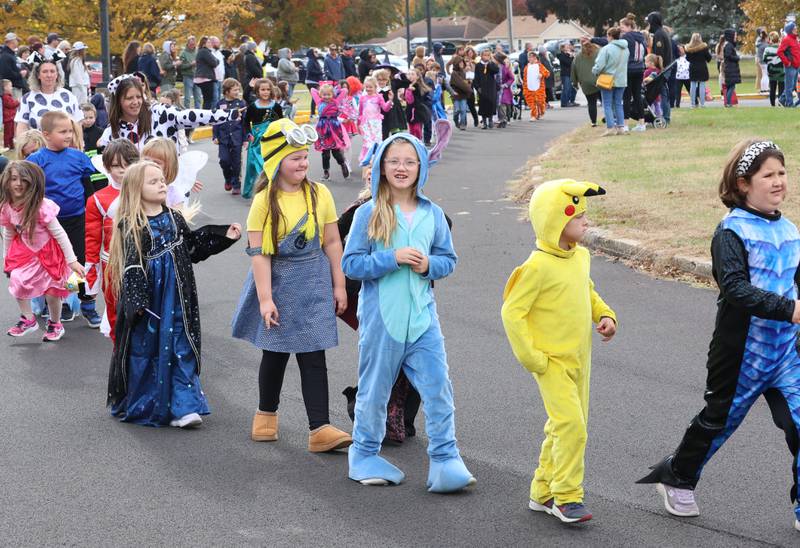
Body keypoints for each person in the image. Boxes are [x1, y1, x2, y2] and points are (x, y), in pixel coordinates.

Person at [636, 140, 800, 533]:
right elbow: (735, 289)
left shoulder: (791, 229)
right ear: (743, 183)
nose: (778, 182)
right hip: (741, 354)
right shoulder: (731, 231)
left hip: (787, 355)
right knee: (717, 422)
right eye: (768, 175)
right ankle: (676, 475)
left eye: (782, 173)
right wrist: (789, 309)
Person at [342, 133, 475, 492]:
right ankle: (364, 453)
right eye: (394, 161)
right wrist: (392, 258)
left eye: (409, 161)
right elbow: (351, 264)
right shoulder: (368, 212)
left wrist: (429, 264)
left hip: (423, 321)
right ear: (382, 167)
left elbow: (449, 260)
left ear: (421, 167)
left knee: (438, 389)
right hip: (382, 323)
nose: (401, 168)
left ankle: (446, 460)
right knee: (374, 391)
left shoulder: (432, 213)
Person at [231, 117, 352, 452]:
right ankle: (265, 415)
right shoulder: (263, 202)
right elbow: (259, 254)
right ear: (275, 162)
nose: (303, 162)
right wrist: (266, 299)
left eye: (305, 156)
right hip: (279, 282)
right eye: (294, 157)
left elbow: (331, 242)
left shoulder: (320, 192)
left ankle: (320, 428)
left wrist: (338, 285)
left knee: (314, 355)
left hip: (313, 282)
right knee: (275, 354)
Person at [501, 179, 616, 524]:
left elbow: (587, 291)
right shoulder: (536, 267)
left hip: (580, 359)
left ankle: (542, 491)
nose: (586, 221)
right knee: (573, 426)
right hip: (550, 362)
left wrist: (605, 313)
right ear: (554, 220)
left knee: (562, 426)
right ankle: (567, 496)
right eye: (577, 215)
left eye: (585, 215)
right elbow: (511, 312)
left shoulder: (580, 256)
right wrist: (532, 358)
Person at [106, 160, 241, 427]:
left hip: (180, 298)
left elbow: (192, 248)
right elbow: (132, 266)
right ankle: (152, 403)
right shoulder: (132, 224)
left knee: (181, 345)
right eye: (153, 181)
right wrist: (137, 302)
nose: (162, 185)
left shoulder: (174, 217)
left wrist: (223, 236)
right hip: (152, 302)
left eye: (162, 180)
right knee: (151, 350)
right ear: (136, 188)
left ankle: (184, 407)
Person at [26, 110, 100, 324]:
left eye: (70, 131)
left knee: (79, 262)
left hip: (77, 219)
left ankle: (87, 304)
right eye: (63, 132)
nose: (68, 135)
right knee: (53, 264)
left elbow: (92, 185)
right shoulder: (36, 160)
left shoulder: (79, 157)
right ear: (46, 134)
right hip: (49, 223)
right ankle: (62, 302)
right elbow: (28, 191)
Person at [1, 160, 85, 341]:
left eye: (23, 179)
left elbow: (60, 234)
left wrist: (72, 260)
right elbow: (9, 231)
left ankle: (56, 323)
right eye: (13, 179)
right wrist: (6, 258)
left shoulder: (41, 206)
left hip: (49, 254)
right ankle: (28, 318)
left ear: (32, 182)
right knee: (17, 280)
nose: (18, 184)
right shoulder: (7, 207)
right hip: (26, 253)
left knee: (52, 292)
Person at [84, 138, 139, 340]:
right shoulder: (97, 199)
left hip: (145, 262)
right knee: (116, 313)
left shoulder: (146, 191)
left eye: (129, 164)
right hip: (112, 265)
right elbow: (92, 239)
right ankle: (121, 357)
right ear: (107, 167)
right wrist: (91, 278)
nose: (123, 170)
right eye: (116, 165)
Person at [97, 74, 233, 154]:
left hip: (167, 189)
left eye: (138, 97)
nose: (135, 102)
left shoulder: (159, 112)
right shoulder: (113, 131)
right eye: (129, 98)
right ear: (118, 101)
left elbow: (190, 115)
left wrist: (228, 114)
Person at [14, 60, 83, 136]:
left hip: (65, 146)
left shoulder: (69, 96)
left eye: (52, 71)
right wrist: (23, 145)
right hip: (37, 146)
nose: (49, 75)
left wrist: (79, 146)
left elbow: (78, 124)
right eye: (45, 71)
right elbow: (22, 126)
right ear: (38, 75)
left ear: (57, 74)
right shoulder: (27, 98)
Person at [242, 78, 283, 199]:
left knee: (268, 166)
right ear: (257, 91)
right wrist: (249, 134)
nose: (265, 92)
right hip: (256, 142)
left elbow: (281, 123)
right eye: (263, 89)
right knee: (252, 166)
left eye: (268, 89)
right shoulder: (252, 107)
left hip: (271, 140)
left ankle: (269, 190)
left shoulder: (276, 107)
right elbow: (245, 123)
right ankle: (249, 191)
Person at [593, 27, 630, 136]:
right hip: (622, 79)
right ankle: (621, 127)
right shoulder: (626, 48)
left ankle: (610, 128)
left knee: (607, 104)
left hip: (608, 79)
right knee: (618, 103)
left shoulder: (606, 49)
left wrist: (594, 71)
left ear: (610, 36)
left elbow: (599, 65)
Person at [213, 78, 247, 195]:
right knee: (224, 160)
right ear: (227, 91)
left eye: (238, 90)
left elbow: (244, 123)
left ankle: (236, 184)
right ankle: (228, 178)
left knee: (236, 163)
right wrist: (215, 136)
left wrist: (246, 138)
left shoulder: (241, 104)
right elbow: (215, 121)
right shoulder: (220, 104)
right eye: (234, 90)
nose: (237, 92)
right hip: (223, 138)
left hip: (237, 138)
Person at [311, 83, 350, 181]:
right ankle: (326, 171)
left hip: (333, 128)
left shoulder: (336, 102)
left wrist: (336, 91)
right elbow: (312, 90)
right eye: (324, 94)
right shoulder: (319, 102)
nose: (326, 97)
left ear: (333, 94)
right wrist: (322, 89)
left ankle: (342, 164)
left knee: (336, 151)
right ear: (320, 95)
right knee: (325, 153)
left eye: (329, 94)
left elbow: (344, 91)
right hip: (323, 128)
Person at [646, 12, 672, 124]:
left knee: (662, 93)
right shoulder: (661, 32)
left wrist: (656, 70)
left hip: (662, 69)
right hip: (664, 68)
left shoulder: (659, 34)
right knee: (662, 93)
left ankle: (665, 118)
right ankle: (663, 116)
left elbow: (659, 56)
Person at [571, 38, 601, 127]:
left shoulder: (578, 56)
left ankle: (593, 122)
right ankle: (611, 120)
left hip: (586, 83)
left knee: (591, 103)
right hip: (599, 80)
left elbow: (573, 70)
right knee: (606, 102)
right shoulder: (598, 52)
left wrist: (574, 82)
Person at [375, 68, 407, 139]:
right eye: (379, 80)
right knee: (383, 137)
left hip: (393, 113)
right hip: (380, 116)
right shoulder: (375, 90)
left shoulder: (393, 83)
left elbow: (406, 83)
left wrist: (402, 74)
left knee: (395, 136)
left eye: (384, 79)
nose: (381, 82)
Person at [473, 49, 499, 129]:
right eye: (485, 55)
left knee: (491, 103)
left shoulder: (491, 64)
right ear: (481, 56)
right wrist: (477, 87)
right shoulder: (478, 65)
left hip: (491, 88)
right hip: (482, 88)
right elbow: (476, 77)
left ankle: (490, 120)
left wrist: (489, 63)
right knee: (483, 104)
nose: (486, 57)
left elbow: (496, 71)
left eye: (488, 55)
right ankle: (484, 122)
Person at [685, 33, 712, 108]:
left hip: (693, 67)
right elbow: (709, 58)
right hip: (702, 67)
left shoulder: (688, 48)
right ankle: (702, 104)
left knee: (693, 85)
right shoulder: (704, 47)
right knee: (702, 85)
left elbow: (687, 59)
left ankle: (693, 104)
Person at [403, 68, 431, 140]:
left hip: (417, 111)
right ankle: (412, 143)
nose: (410, 76)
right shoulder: (407, 86)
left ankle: (418, 141)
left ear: (417, 77)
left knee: (417, 129)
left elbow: (417, 94)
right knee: (411, 129)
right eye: (408, 74)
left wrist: (412, 89)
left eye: (412, 74)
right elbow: (407, 99)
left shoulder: (417, 86)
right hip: (410, 110)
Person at [778, 22, 800, 108]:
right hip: (790, 66)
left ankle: (782, 100)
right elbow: (779, 52)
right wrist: (787, 62)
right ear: (790, 30)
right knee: (789, 86)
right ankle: (789, 104)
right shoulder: (786, 39)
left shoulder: (795, 39)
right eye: (794, 29)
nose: (796, 30)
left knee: (792, 86)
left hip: (796, 66)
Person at [523, 52, 549, 122]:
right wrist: (525, 86)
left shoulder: (540, 66)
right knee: (531, 102)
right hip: (529, 87)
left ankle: (541, 112)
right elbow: (525, 78)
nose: (530, 58)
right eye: (529, 57)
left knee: (540, 101)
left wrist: (542, 74)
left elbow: (547, 73)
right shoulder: (526, 67)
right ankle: (533, 115)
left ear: (535, 58)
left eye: (531, 57)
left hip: (539, 87)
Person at [1, 33, 29, 99]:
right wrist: (20, 74)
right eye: (17, 40)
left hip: (16, 88)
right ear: (11, 41)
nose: (18, 42)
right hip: (12, 89)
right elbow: (6, 73)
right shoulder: (6, 56)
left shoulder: (11, 55)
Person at [193, 37, 218, 109]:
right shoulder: (204, 51)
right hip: (205, 78)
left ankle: (205, 114)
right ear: (204, 44)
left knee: (207, 99)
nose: (210, 44)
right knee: (208, 100)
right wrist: (216, 60)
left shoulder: (202, 51)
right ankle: (206, 115)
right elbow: (214, 62)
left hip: (203, 78)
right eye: (208, 42)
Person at [448, 56, 473, 130]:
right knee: (457, 110)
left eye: (462, 62)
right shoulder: (454, 73)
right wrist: (468, 88)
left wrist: (468, 82)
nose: (462, 64)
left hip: (463, 94)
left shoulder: (464, 72)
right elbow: (460, 83)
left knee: (463, 110)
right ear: (456, 63)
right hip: (456, 94)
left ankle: (462, 124)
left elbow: (466, 82)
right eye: (460, 62)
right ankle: (455, 120)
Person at [763, 31, 786, 107]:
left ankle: (772, 104)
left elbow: (764, 59)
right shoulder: (782, 48)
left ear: (771, 39)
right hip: (781, 71)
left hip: (771, 71)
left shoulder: (767, 49)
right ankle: (780, 103)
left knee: (772, 89)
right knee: (781, 88)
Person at [179, 36, 201, 109]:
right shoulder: (183, 53)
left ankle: (198, 112)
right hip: (188, 77)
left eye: (194, 44)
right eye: (191, 44)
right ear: (187, 44)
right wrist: (190, 64)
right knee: (187, 97)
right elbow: (181, 66)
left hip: (197, 77)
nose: (192, 46)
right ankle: (186, 112)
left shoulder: (198, 51)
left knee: (198, 97)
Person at [722, 29, 741, 108]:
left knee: (730, 86)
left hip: (731, 68)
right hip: (730, 68)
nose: (736, 37)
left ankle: (728, 102)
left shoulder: (729, 44)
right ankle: (728, 103)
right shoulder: (729, 45)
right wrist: (737, 58)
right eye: (735, 35)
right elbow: (728, 55)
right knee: (731, 86)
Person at [496, 52, 514, 128]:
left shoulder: (504, 68)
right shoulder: (494, 67)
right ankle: (501, 119)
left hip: (504, 90)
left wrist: (506, 85)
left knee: (502, 105)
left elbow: (512, 78)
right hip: (496, 89)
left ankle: (503, 120)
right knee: (498, 105)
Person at [556, 43, 576, 108]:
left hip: (569, 74)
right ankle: (564, 103)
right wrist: (571, 56)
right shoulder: (561, 55)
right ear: (563, 48)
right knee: (566, 89)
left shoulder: (567, 55)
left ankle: (568, 101)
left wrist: (571, 56)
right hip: (565, 74)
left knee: (569, 88)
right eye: (566, 47)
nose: (568, 48)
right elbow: (569, 63)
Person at [305, 48, 323, 117]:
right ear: (312, 53)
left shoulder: (315, 61)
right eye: (315, 52)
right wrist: (320, 72)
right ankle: (312, 113)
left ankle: (314, 112)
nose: (317, 53)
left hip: (315, 81)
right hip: (311, 81)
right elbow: (310, 71)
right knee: (315, 96)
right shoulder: (311, 61)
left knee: (316, 96)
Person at [2, 78, 19, 149]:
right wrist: (18, 101)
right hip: (8, 118)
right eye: (10, 86)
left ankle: (11, 146)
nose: (11, 88)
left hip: (11, 118)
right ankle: (7, 146)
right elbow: (11, 105)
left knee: (11, 133)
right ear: (5, 88)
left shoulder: (8, 96)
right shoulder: (5, 97)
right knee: (8, 134)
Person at [756, 29, 769, 93]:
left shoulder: (759, 44)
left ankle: (763, 88)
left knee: (764, 75)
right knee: (765, 75)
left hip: (760, 61)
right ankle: (765, 89)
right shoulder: (765, 45)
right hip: (764, 62)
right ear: (765, 38)